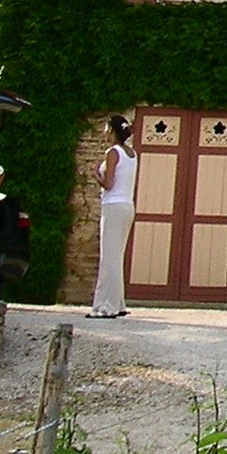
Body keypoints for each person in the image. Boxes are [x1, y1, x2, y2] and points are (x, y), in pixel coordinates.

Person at [90, 116, 135, 319]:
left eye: (107, 127)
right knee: (117, 255)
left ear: (113, 130)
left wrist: (95, 175)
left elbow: (108, 184)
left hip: (113, 205)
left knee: (108, 256)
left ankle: (106, 305)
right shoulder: (133, 153)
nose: (104, 130)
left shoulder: (112, 152)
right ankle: (118, 302)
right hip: (127, 205)